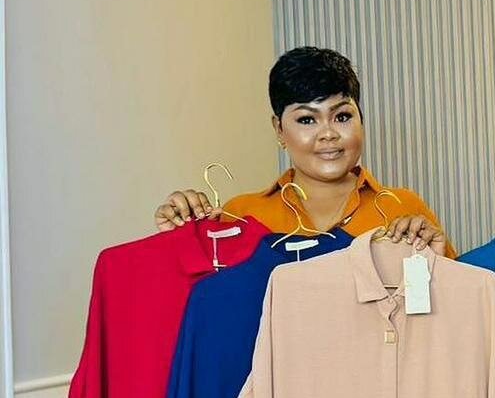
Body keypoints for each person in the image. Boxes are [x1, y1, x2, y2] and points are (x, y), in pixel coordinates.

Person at [154, 47, 454, 256]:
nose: (328, 133)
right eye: (307, 120)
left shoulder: (404, 208)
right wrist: (176, 238)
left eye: (342, 116)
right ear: (279, 130)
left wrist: (438, 259)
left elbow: (455, 307)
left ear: (361, 120)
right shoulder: (240, 216)